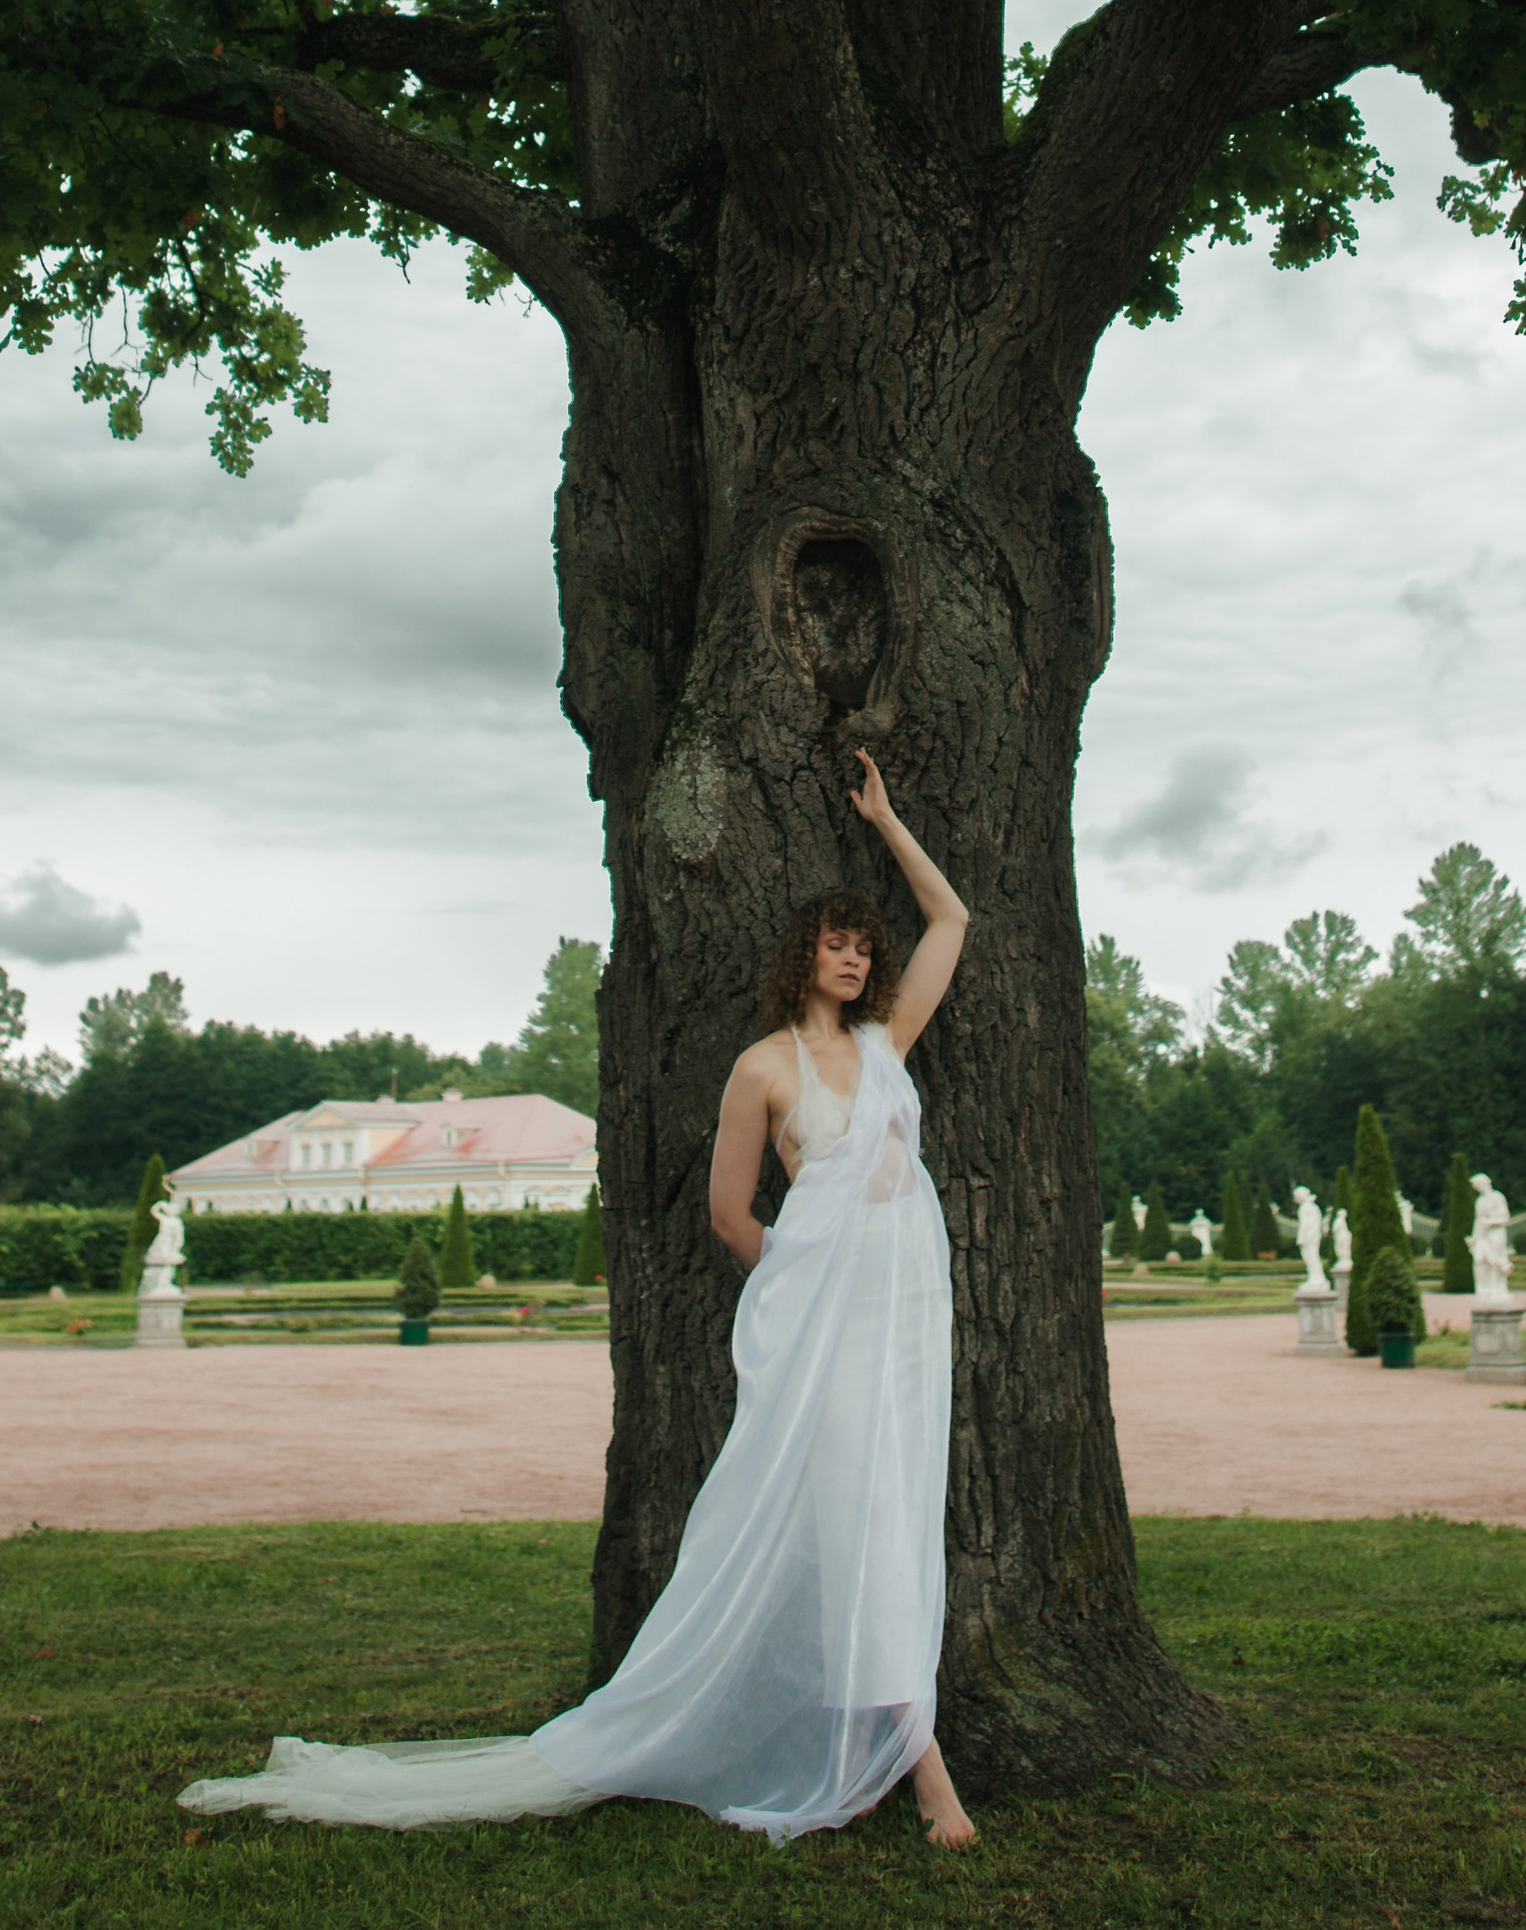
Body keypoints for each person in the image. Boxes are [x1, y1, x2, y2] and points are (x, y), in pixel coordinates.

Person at [179, 745, 975, 1848]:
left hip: (903, 1328)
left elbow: (952, 921)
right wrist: (803, 1292)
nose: (856, 959)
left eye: (864, 947)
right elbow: (729, 1214)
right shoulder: (763, 1068)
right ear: (803, 956)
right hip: (826, 1334)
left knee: (895, 1524)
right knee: (857, 1535)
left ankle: (878, 1750)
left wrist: (886, 822)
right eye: (837, 944)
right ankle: (928, 1779)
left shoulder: (888, 1046)